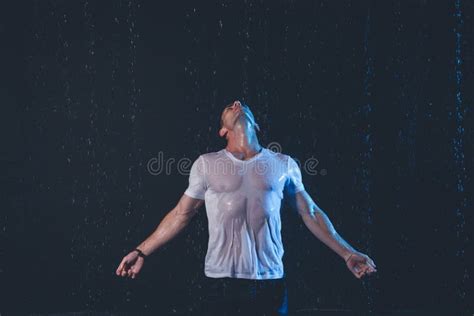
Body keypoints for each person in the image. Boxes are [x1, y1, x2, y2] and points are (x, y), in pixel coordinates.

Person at [116, 100, 377, 315]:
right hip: (220, 284)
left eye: (241, 105)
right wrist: (142, 251)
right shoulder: (207, 164)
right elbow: (180, 214)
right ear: (222, 131)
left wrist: (347, 253)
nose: (237, 104)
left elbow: (310, 213)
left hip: (269, 283)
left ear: (256, 125)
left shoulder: (283, 164)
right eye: (229, 106)